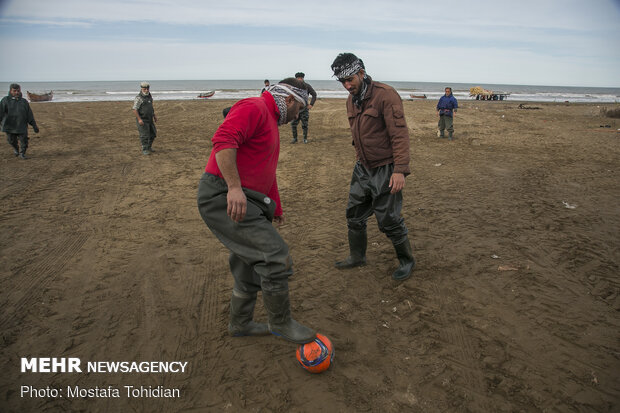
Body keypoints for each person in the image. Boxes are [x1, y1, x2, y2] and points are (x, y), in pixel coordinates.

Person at [197, 78, 317, 344]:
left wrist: (275, 206)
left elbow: (265, 169)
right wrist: (234, 188)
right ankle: (281, 323)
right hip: (222, 194)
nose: (299, 115)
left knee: (248, 262)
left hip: (252, 199)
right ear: (288, 99)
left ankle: (239, 324)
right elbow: (223, 141)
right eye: (300, 109)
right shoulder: (255, 106)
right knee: (275, 256)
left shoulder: (270, 121)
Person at [330, 53, 415, 281]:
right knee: (354, 214)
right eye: (342, 82)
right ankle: (357, 256)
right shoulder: (351, 99)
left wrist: (399, 170)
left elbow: (399, 135)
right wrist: (359, 156)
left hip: (386, 167)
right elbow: (356, 133)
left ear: (361, 73)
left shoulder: (385, 95)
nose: (347, 85)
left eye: (350, 79)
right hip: (363, 167)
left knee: (388, 219)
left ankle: (407, 261)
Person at [0, 83, 39, 159]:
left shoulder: (24, 102)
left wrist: (34, 126)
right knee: (11, 141)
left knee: (24, 140)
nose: (17, 92)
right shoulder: (5, 100)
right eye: (14, 91)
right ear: (10, 91)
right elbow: (0, 113)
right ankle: (16, 149)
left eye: (18, 91)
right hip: (10, 126)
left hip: (22, 125)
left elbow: (29, 115)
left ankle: (22, 153)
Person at [290, 72, 317, 144]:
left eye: (301, 78)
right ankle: (295, 138)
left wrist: (311, 104)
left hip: (304, 109)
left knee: (304, 125)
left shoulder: (307, 86)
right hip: (295, 109)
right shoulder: (293, 87)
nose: (299, 79)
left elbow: (314, 94)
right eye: (298, 78)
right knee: (293, 124)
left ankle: (305, 139)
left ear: (303, 78)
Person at [132, 82, 158, 155]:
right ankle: (145, 149)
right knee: (144, 135)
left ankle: (149, 147)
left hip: (150, 119)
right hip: (142, 119)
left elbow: (151, 107)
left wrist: (154, 115)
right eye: (144, 89)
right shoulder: (139, 98)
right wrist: (139, 119)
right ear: (141, 89)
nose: (146, 90)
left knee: (153, 134)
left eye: (147, 89)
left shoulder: (149, 96)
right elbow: (135, 109)